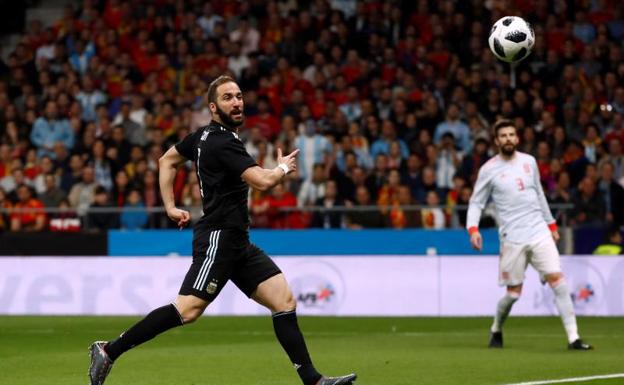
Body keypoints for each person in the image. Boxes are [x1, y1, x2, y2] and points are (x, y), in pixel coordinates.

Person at [88, 76, 356, 385]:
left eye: (239, 95)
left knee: (283, 301)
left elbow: (166, 160)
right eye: (228, 97)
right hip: (218, 237)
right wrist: (282, 168)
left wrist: (170, 206)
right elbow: (262, 182)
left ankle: (313, 380)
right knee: (187, 310)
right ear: (214, 107)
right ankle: (109, 350)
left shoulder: (204, 136)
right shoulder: (223, 141)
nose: (237, 102)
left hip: (238, 241)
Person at [466, 119, 592, 351]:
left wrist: (551, 225)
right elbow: (476, 202)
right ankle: (496, 328)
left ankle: (574, 338)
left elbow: (539, 195)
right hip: (512, 238)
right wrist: (473, 229)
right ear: (496, 141)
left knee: (558, 281)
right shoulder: (489, 169)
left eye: (511, 135)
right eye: (503, 136)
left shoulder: (529, 162)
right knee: (513, 294)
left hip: (538, 232)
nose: (508, 139)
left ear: (517, 138)